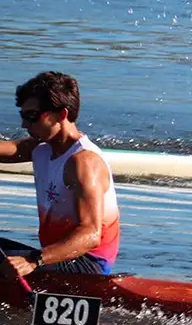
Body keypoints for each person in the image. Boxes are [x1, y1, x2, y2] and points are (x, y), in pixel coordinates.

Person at [0, 72, 121, 277]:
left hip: (86, 265)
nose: (24, 125)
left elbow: (91, 234)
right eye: (23, 116)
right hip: (55, 257)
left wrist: (34, 261)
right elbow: (9, 148)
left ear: (62, 114)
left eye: (32, 116)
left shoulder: (83, 162)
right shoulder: (43, 147)